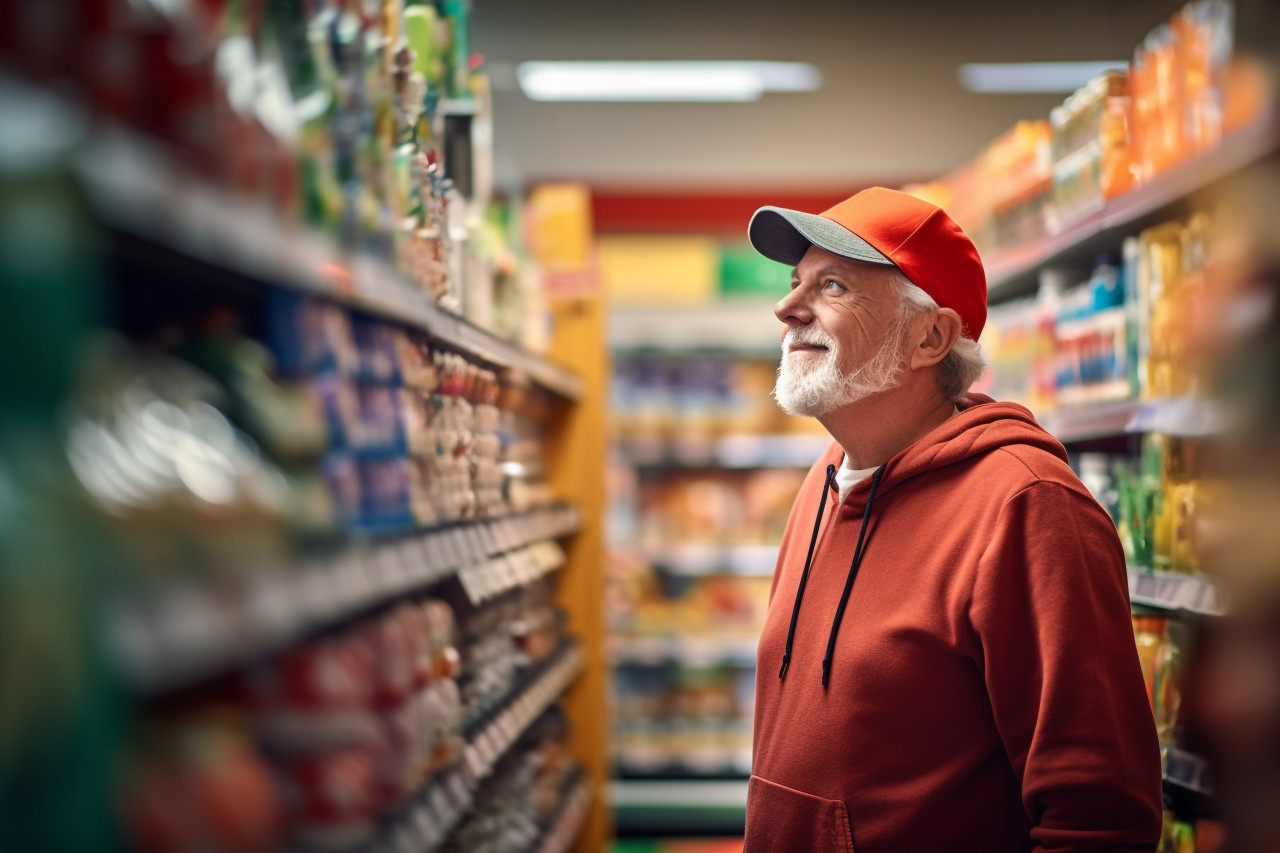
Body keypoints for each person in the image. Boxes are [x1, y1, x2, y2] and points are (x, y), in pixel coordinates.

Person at [742, 187, 1163, 853]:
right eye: (796, 281)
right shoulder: (825, 481)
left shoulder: (1027, 505)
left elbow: (1099, 815)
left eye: (833, 285)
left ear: (930, 337)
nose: (786, 308)